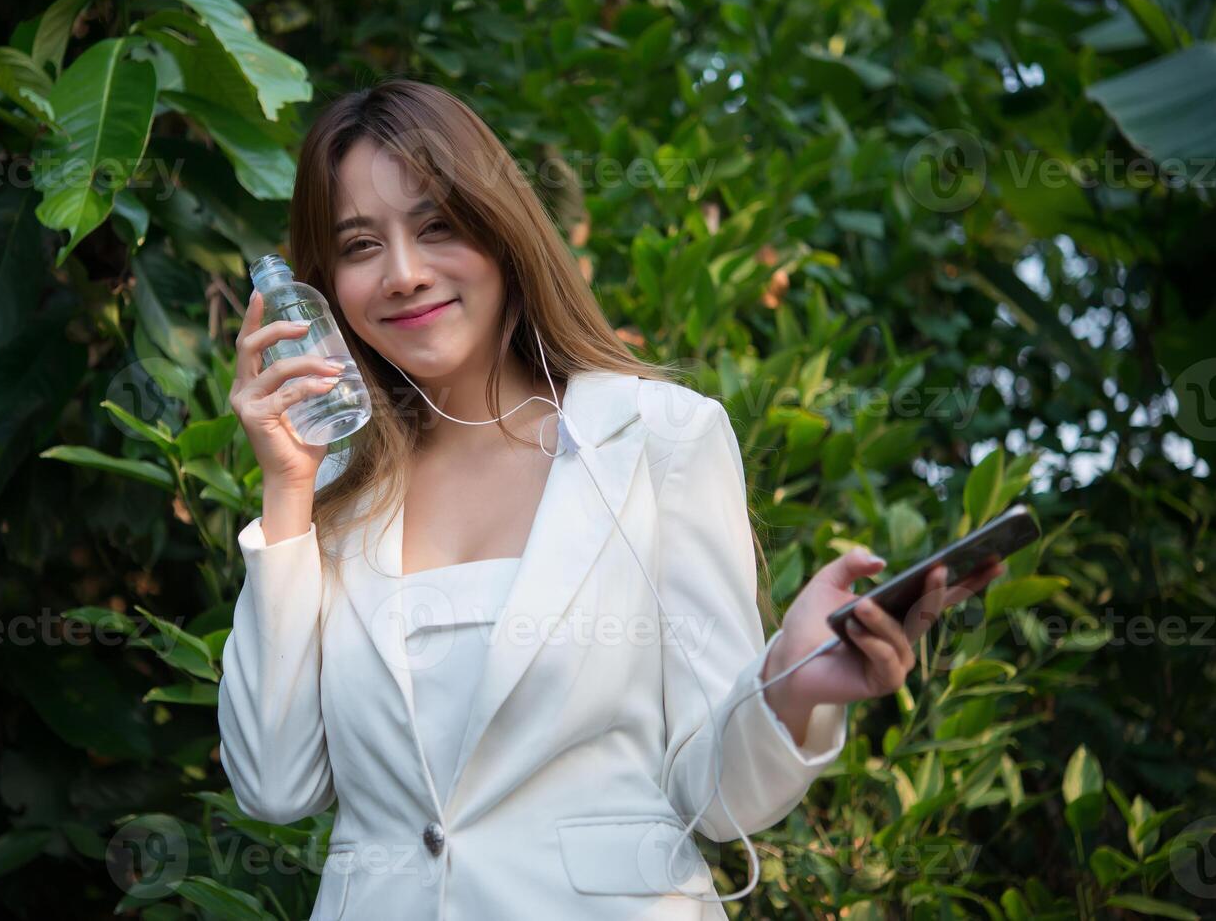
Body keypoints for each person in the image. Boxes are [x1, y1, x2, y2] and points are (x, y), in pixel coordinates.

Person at [220, 78, 1005, 920]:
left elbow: (718, 800)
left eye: (438, 225)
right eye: (360, 245)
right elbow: (274, 784)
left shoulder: (659, 439)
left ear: (502, 232)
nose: (405, 274)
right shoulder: (331, 490)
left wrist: (790, 678)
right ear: (324, 284)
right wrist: (288, 488)